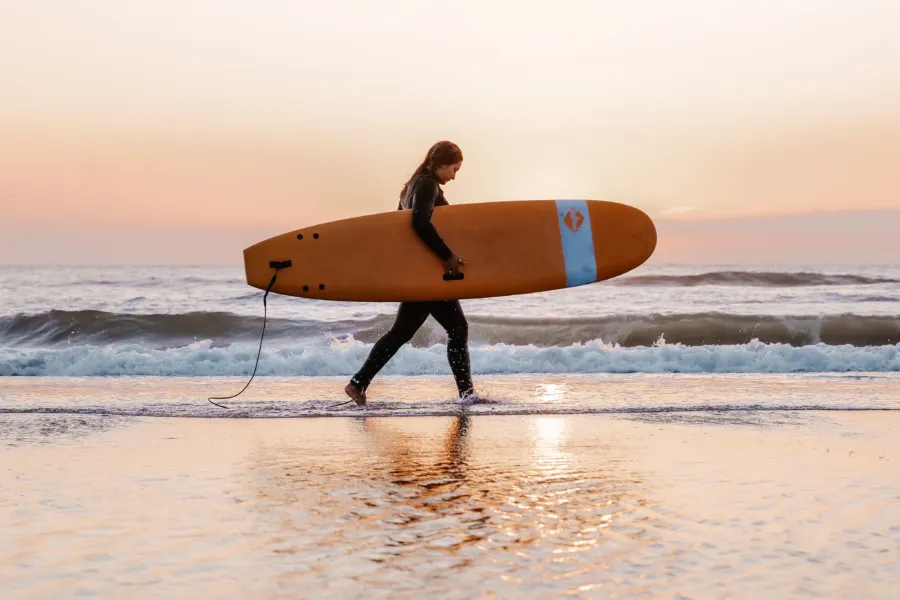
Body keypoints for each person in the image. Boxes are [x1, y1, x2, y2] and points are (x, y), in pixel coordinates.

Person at [344, 140, 476, 405]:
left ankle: (358, 383)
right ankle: (467, 395)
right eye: (453, 169)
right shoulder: (427, 185)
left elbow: (399, 230)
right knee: (456, 329)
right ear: (439, 164)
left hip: (420, 273)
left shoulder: (412, 186)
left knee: (405, 332)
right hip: (428, 274)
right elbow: (419, 222)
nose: (454, 176)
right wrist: (447, 255)